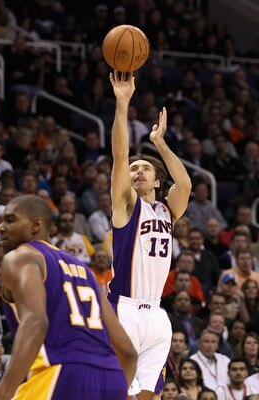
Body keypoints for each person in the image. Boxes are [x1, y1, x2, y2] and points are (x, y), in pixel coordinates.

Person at [0, 194, 137, 400]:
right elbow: (128, 353)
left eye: (10, 219)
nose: (1, 227)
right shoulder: (85, 270)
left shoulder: (20, 257)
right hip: (111, 379)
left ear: (36, 225)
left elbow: (36, 322)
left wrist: (2, 393)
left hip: (59, 374)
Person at [108, 70, 191, 400]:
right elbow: (119, 156)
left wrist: (160, 143)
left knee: (148, 395)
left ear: (158, 181)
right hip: (123, 308)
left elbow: (184, 185)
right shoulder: (126, 206)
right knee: (119, 391)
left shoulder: (168, 210)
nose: (137, 171)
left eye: (144, 168)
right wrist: (122, 103)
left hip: (157, 313)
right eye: (134, 169)